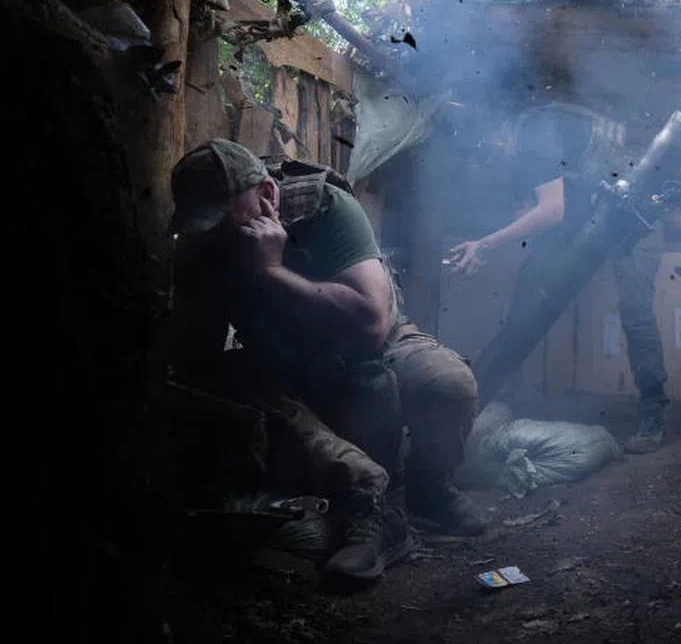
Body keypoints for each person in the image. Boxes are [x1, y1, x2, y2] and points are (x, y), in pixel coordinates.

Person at [168, 139, 486, 584]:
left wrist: (270, 272)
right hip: (285, 364)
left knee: (448, 383)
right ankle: (373, 506)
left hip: (378, 344)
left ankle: (428, 489)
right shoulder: (202, 240)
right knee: (232, 386)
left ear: (267, 194)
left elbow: (370, 324)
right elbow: (195, 355)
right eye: (204, 223)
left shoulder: (323, 207)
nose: (214, 233)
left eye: (224, 217)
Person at [449, 101, 671, 453]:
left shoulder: (536, 132)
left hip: (637, 213)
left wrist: (486, 246)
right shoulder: (522, 151)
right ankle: (493, 391)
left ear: (500, 124)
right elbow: (542, 212)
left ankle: (652, 407)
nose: (490, 155)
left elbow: (551, 212)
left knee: (635, 307)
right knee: (531, 287)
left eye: (488, 145)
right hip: (594, 218)